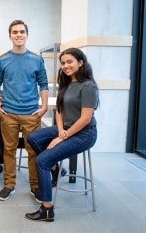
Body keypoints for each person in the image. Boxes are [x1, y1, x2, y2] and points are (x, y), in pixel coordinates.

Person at [25, 47, 99, 222]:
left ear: (80, 62)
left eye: (69, 62)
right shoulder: (67, 83)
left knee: (42, 160)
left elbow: (85, 119)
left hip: (84, 134)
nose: (65, 66)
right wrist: (60, 131)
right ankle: (56, 170)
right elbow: (59, 110)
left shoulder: (88, 86)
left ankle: (47, 209)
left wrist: (61, 138)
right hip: (66, 128)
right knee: (33, 137)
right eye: (63, 63)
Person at [0, 20, 49, 201]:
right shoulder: (3, 59)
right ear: (10, 36)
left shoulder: (36, 59)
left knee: (33, 151)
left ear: (27, 35)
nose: (18, 35)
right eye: (15, 32)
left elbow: (43, 84)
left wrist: (44, 106)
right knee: (9, 150)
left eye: (22, 32)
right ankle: (9, 185)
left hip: (31, 114)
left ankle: (35, 186)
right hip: (8, 114)